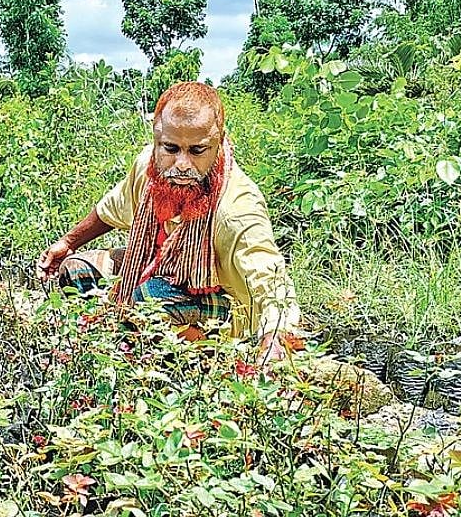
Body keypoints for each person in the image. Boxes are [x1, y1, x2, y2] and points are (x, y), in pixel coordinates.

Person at [36, 81, 300, 358]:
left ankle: (190, 360)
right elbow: (113, 206)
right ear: (156, 140)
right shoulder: (148, 168)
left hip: (220, 299)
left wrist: (274, 339)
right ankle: (113, 345)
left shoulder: (237, 207)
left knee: (150, 297)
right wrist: (68, 243)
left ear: (218, 143)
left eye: (197, 151)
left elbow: (270, 279)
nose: (182, 164)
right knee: (77, 269)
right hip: (159, 266)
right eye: (171, 149)